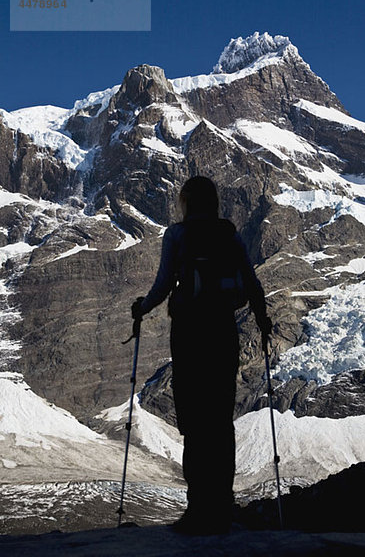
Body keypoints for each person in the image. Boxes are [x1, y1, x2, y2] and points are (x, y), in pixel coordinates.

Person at [131, 176, 272, 535]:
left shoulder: (177, 236)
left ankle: (198, 509)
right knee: (220, 420)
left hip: (189, 334)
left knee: (194, 421)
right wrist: (263, 318)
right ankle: (222, 505)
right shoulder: (230, 235)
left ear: (187, 203)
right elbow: (251, 280)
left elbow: (164, 284)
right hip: (223, 333)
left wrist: (142, 308)